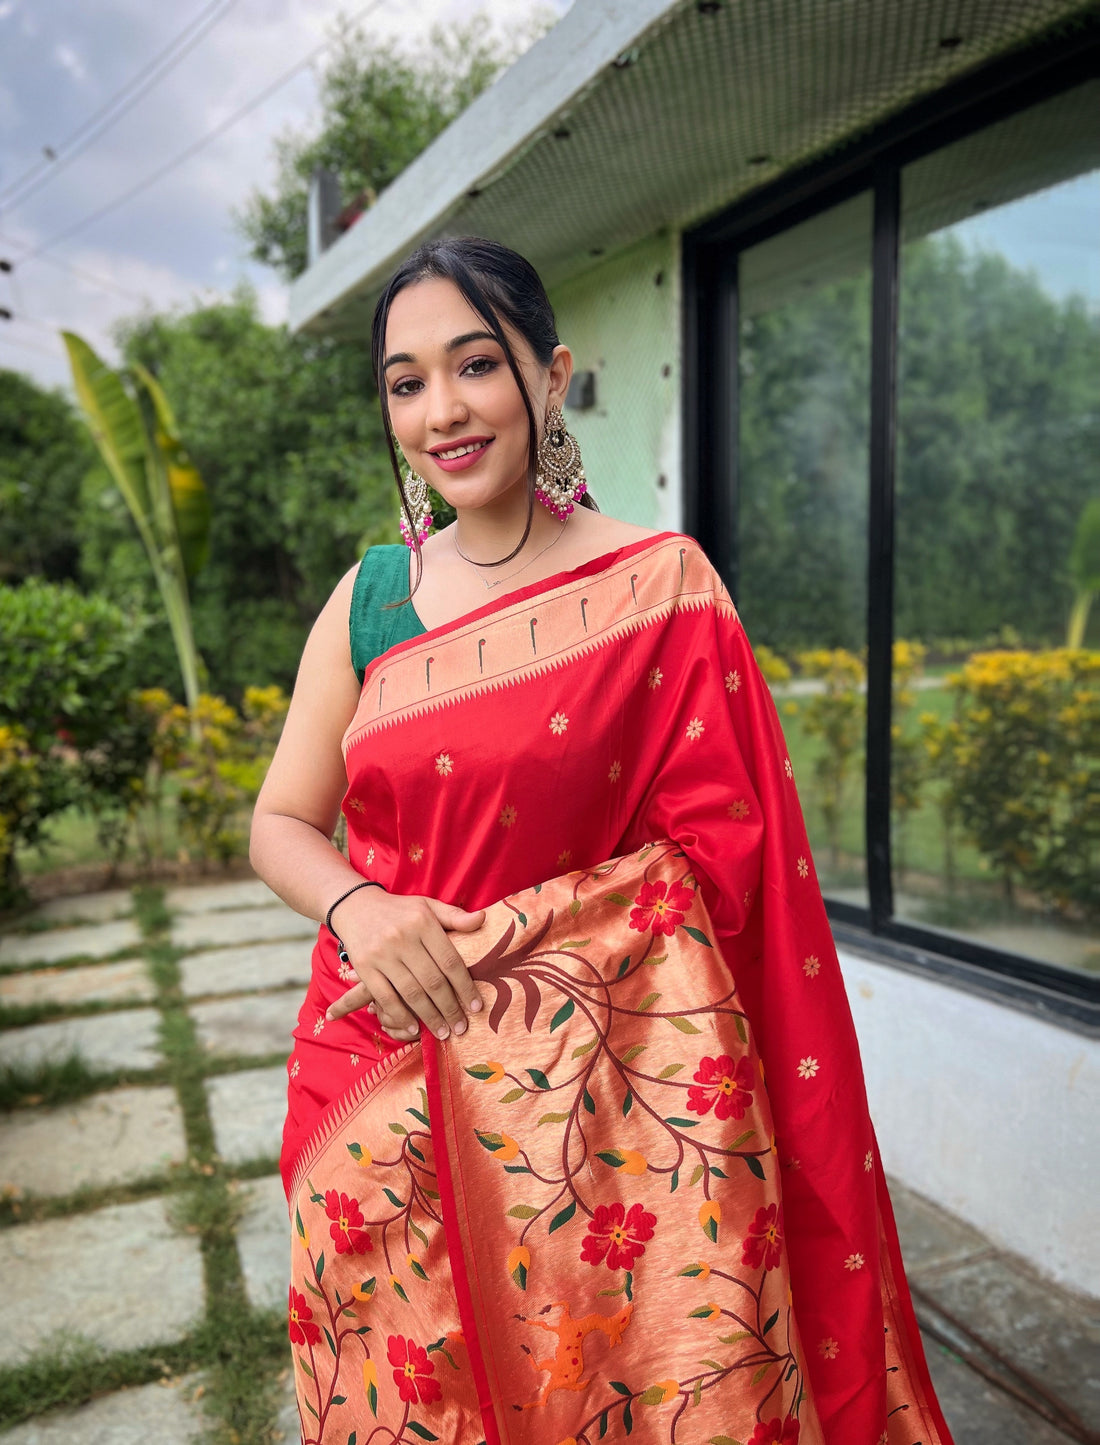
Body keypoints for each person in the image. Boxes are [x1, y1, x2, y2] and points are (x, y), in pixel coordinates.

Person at [250, 237, 953, 1445]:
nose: (441, 409)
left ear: (550, 375)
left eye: (476, 364)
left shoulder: (657, 588)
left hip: (607, 1127)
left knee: (619, 1393)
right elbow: (280, 821)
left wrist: (541, 947)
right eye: (405, 381)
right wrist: (356, 905)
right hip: (375, 1091)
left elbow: (729, 868)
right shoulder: (366, 599)